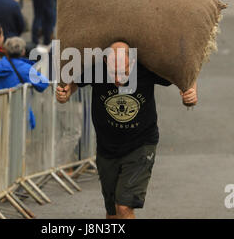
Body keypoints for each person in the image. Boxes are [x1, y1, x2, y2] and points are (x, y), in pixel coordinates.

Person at [56, 42, 198, 219]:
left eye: (122, 73)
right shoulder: (96, 69)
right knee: (113, 212)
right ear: (106, 62)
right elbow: (74, 82)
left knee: (124, 207)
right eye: (113, 73)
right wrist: (66, 92)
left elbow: (184, 75)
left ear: (131, 63)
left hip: (141, 145)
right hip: (107, 148)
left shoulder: (146, 68)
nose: (118, 79)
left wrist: (190, 93)